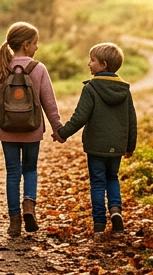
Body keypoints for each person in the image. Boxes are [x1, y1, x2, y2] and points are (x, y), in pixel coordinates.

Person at [0, 22, 62, 237]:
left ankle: (14, 222)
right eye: (36, 43)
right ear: (27, 44)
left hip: (7, 129)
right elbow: (49, 103)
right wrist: (58, 129)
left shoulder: (2, 66)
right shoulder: (38, 68)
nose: (37, 47)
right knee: (30, 169)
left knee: (12, 172)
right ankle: (29, 205)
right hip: (32, 130)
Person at [54, 42, 137, 233]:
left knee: (98, 183)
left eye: (92, 60)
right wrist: (130, 146)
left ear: (104, 65)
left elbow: (80, 117)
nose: (88, 64)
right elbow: (132, 120)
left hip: (96, 146)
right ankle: (116, 210)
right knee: (112, 178)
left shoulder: (91, 88)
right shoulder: (124, 90)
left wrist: (62, 133)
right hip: (117, 145)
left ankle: (99, 223)